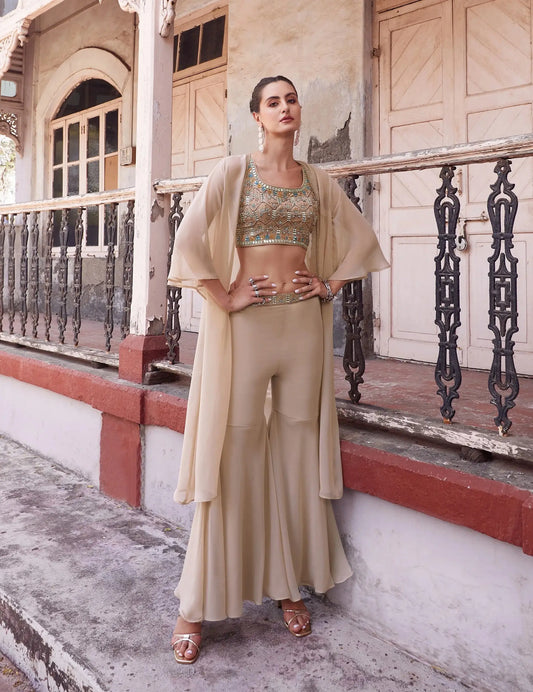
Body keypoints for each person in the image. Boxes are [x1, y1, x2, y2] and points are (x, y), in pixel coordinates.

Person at [167, 75, 389, 664]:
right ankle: (195, 605)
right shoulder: (233, 172)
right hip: (248, 329)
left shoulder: (317, 180)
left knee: (296, 454)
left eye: (291, 100)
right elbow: (187, 239)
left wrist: (329, 285)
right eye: (273, 102)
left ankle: (288, 585)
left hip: (301, 331)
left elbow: (360, 240)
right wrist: (224, 295)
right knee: (233, 453)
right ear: (257, 117)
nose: (285, 107)